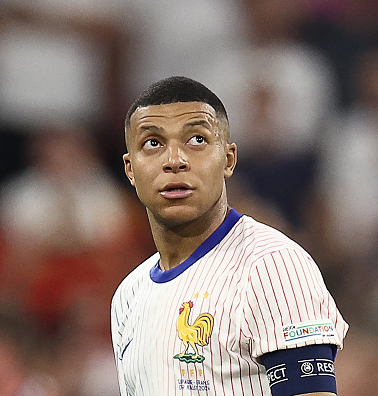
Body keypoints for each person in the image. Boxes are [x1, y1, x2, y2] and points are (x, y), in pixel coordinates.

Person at [110, 76, 348, 396]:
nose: (174, 161)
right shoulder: (128, 296)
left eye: (196, 140)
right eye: (153, 143)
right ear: (130, 169)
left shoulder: (272, 266)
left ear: (228, 159)